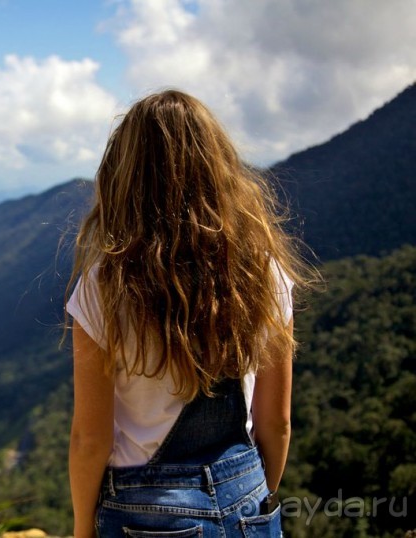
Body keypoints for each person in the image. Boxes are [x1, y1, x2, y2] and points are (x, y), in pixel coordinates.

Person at [65, 90, 312, 537]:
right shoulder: (264, 272)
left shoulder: (106, 284)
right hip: (246, 496)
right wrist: (255, 497)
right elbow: (276, 422)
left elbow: (90, 440)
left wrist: (84, 529)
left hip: (146, 511)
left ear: (125, 175)